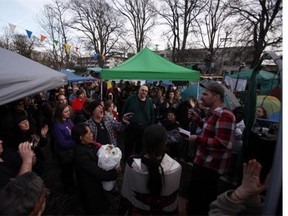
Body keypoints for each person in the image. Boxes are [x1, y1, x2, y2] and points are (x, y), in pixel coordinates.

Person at [186, 82, 236, 215]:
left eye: (205, 94)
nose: (201, 97)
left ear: (216, 97)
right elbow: (211, 131)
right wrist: (199, 120)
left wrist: (197, 139)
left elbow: (223, 143)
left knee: (201, 205)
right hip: (202, 163)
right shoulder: (213, 113)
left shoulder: (226, 115)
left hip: (210, 169)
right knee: (194, 200)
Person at [119, 124, 182, 215]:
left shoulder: (132, 163)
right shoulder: (176, 167)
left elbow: (126, 195)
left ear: (144, 141)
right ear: (165, 142)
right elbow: (172, 205)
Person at [72, 123, 121, 215]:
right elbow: (97, 172)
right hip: (90, 186)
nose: (92, 134)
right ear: (81, 138)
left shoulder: (86, 146)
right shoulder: (81, 154)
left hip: (94, 183)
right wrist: (114, 173)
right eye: (89, 133)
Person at [121, 85, 155, 158]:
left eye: (146, 91)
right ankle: (127, 161)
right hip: (131, 127)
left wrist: (150, 127)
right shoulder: (131, 99)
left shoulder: (149, 102)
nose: (144, 92)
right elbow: (124, 110)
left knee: (140, 146)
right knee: (128, 146)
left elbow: (152, 115)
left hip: (143, 128)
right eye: (142, 90)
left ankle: (137, 161)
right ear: (139, 90)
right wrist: (124, 122)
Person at [51, 103, 76, 192]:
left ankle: (72, 184)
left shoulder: (68, 120)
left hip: (72, 150)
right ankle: (68, 187)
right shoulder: (57, 126)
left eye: (68, 111)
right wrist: (76, 141)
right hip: (64, 153)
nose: (68, 113)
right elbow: (62, 143)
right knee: (66, 171)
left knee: (71, 170)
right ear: (60, 113)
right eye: (65, 112)